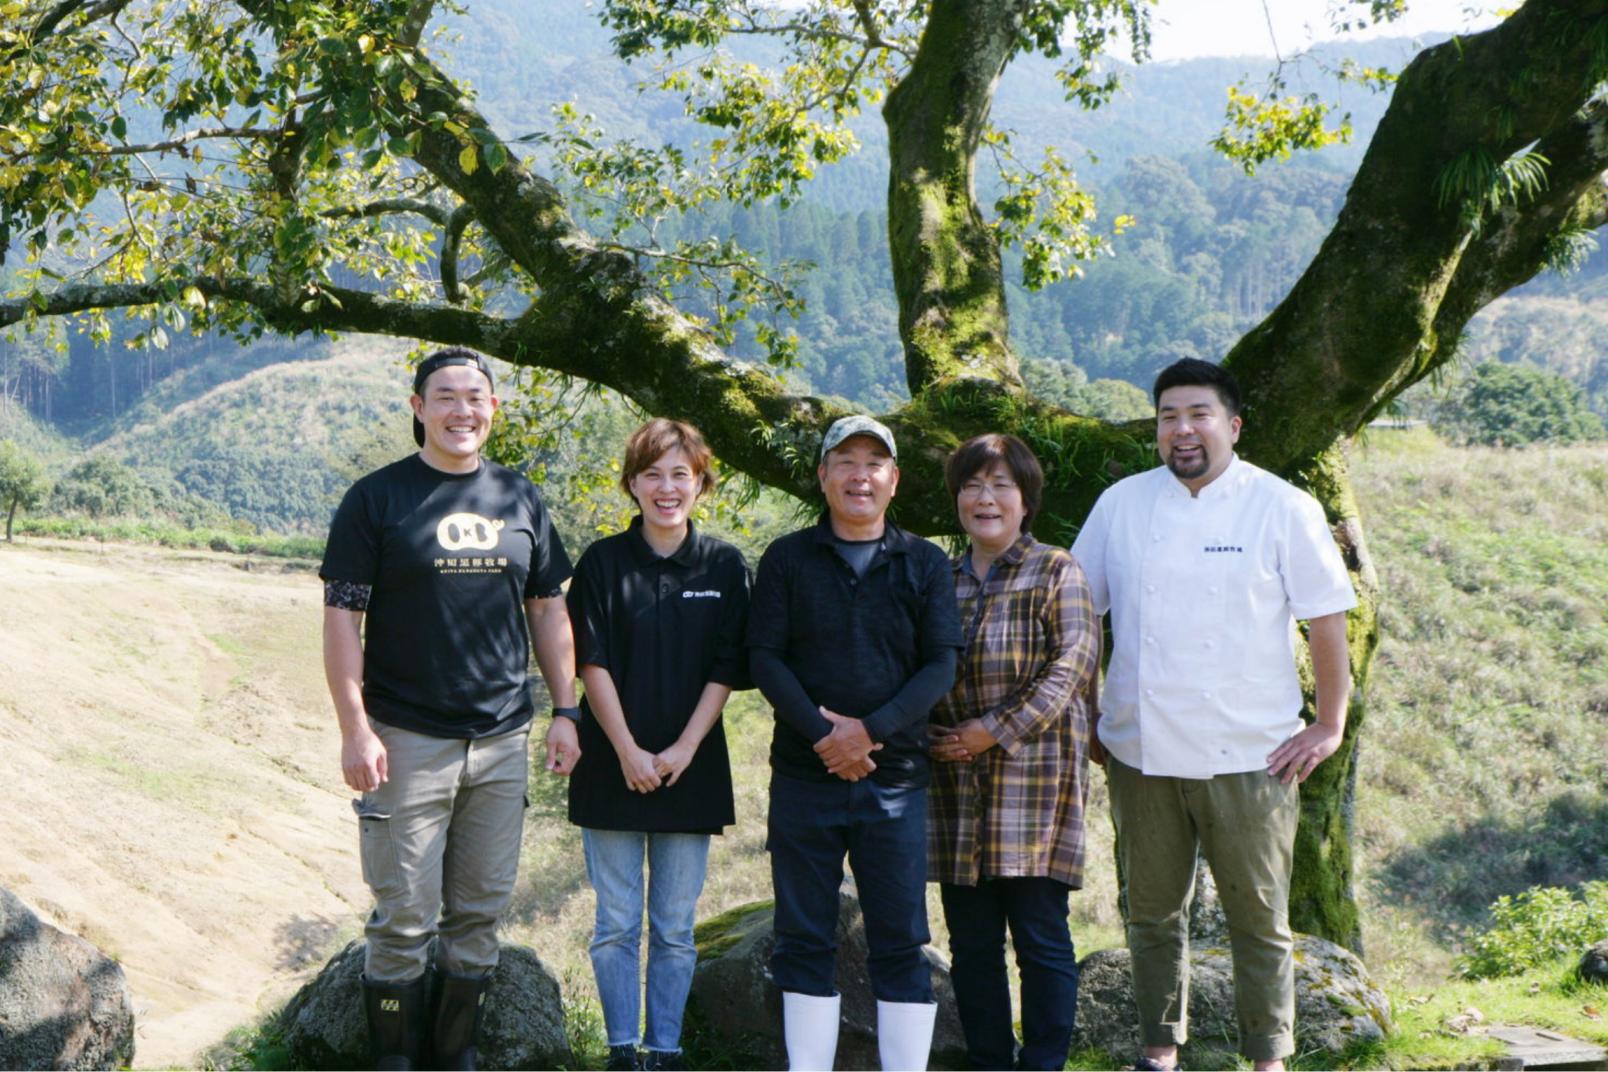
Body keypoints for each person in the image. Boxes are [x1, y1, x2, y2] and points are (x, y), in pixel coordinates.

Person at [1071, 358, 1357, 1072]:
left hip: (1252, 753)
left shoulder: (1282, 505)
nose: (1182, 430)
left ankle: (1269, 1057)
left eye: (1198, 414)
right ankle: (1160, 1050)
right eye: (1168, 417)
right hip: (1141, 750)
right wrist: (1091, 710)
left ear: (1232, 425)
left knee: (1258, 919)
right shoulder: (1123, 505)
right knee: (1151, 913)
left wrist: (1328, 723)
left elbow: (1327, 620)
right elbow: (1076, 614)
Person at [320, 347, 581, 1071]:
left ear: (493, 409)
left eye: (476, 396)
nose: (462, 409)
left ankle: (455, 1052)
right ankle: (393, 1060)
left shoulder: (521, 498)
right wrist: (355, 728)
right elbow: (342, 618)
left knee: (480, 912)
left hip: (502, 739)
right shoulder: (377, 499)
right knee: (404, 916)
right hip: (405, 739)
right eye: (445, 396)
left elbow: (549, 607)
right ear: (418, 408)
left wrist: (567, 710)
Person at [749, 414, 963, 1072]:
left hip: (895, 781)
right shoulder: (788, 558)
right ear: (823, 476)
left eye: (874, 463)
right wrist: (826, 737)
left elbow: (940, 666)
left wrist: (866, 733)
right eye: (845, 461)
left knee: (900, 941)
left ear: (894, 480)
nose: (859, 474)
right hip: (804, 780)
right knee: (802, 937)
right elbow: (764, 658)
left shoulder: (924, 562)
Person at [565, 418, 752, 1072]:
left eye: (681, 474)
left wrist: (682, 749)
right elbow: (591, 661)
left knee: (674, 926)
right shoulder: (601, 562)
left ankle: (664, 1050)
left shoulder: (726, 565)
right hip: (610, 766)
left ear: (702, 482)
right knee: (616, 920)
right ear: (631, 484)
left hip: (690, 770)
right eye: (653, 474)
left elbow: (728, 666)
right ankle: (622, 1051)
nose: (667, 488)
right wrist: (626, 750)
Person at [927, 433, 1100, 1071]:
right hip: (954, 787)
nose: (986, 498)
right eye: (972, 485)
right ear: (956, 499)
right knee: (971, 944)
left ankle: (1045, 1063)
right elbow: (913, 670)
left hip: (1035, 783)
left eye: (1001, 485)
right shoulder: (937, 579)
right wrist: (933, 736)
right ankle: (991, 1060)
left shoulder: (1055, 568)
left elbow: (1073, 665)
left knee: (1040, 936)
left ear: (1025, 500)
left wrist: (992, 730)